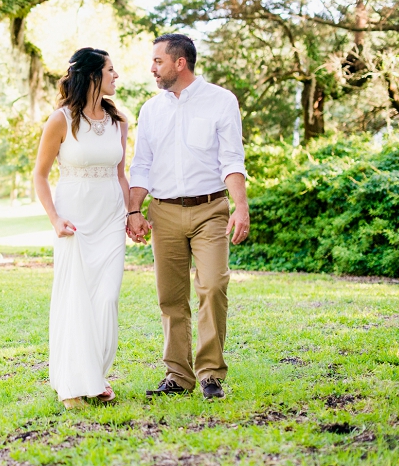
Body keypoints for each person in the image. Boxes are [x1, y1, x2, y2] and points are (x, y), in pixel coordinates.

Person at [126, 33, 249, 400]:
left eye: (158, 61)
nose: (152, 68)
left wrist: (240, 206)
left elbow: (231, 158)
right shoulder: (151, 109)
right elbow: (141, 165)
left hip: (210, 209)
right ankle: (178, 376)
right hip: (163, 212)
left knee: (212, 286)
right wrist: (134, 209)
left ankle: (210, 373)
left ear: (180, 63)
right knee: (171, 296)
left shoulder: (221, 101)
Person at [33, 47, 129, 410]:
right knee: (76, 299)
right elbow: (40, 175)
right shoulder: (60, 120)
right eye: (110, 70)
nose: (116, 76)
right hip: (74, 220)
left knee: (106, 299)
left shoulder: (119, 122)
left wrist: (132, 213)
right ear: (92, 76)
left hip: (110, 220)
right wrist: (55, 218)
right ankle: (79, 383)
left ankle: (96, 374)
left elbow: (121, 174)